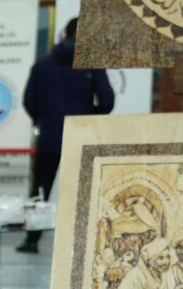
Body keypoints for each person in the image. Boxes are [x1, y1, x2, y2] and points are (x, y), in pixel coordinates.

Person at [15, 17, 115, 253]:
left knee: (40, 189)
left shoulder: (42, 65)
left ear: (65, 35)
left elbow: (29, 101)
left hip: (49, 136)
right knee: (82, 191)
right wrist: (89, 117)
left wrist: (44, 119)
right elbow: (108, 102)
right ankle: (80, 243)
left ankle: (31, 239)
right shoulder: (93, 65)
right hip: (81, 137)